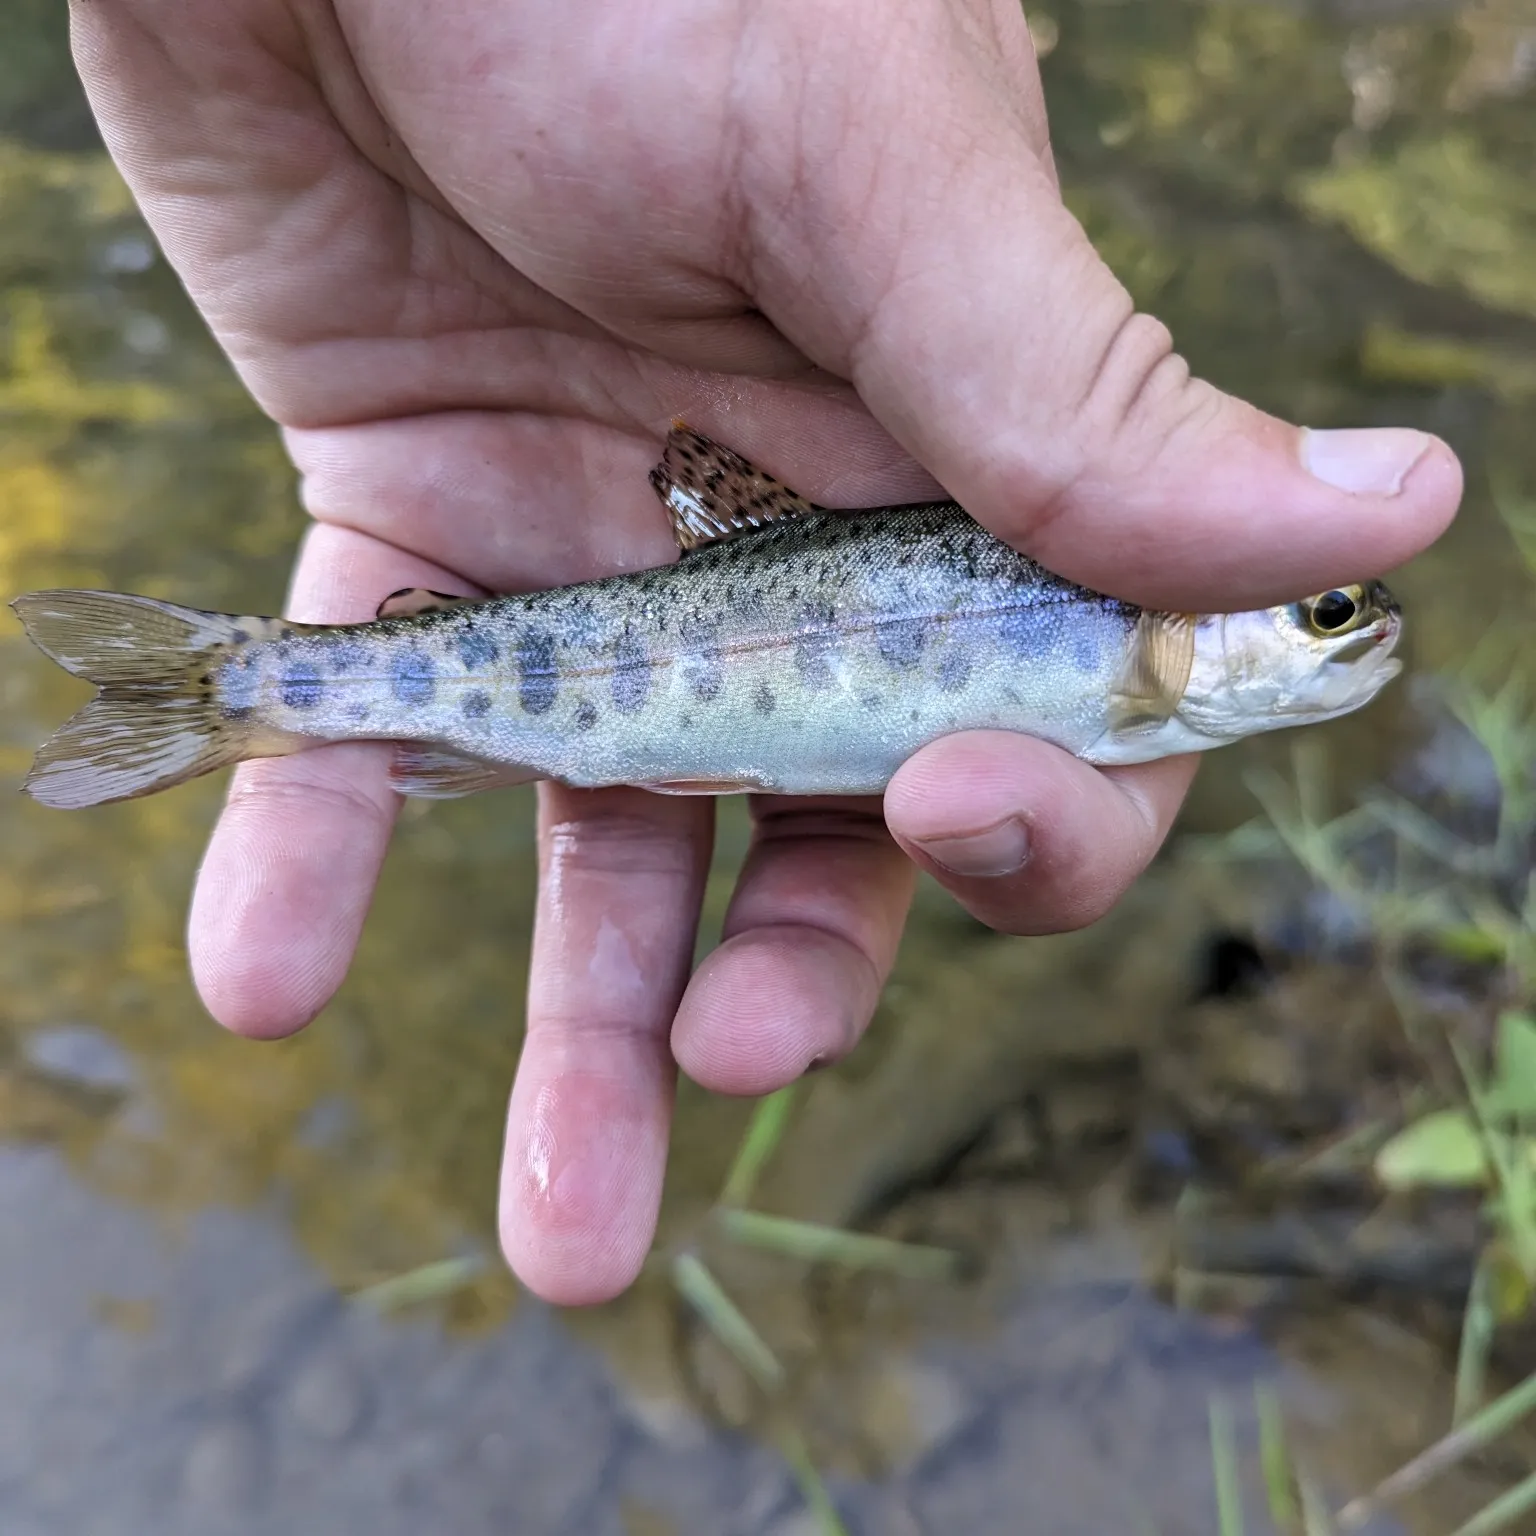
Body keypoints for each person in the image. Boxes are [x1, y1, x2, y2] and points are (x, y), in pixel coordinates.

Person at [69, 0, 1460, 1305]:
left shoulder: (1131, 660)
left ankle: (252, 682)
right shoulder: (1124, 672)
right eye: (1327, 616)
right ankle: (244, 684)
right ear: (1193, 621)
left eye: (1331, 615)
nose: (1356, 636)